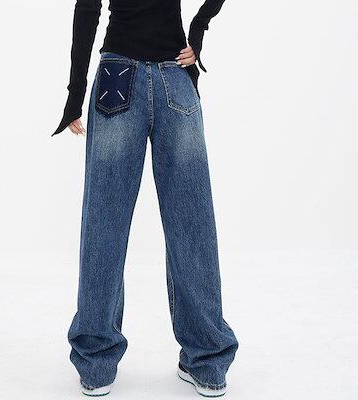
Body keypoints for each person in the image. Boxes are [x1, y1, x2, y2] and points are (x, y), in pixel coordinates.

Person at [53, 0, 238, 397]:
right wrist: (197, 31)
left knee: (105, 222)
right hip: (174, 75)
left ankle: (96, 363)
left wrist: (75, 94)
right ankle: (207, 359)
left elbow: (87, 9)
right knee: (192, 224)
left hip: (119, 78)